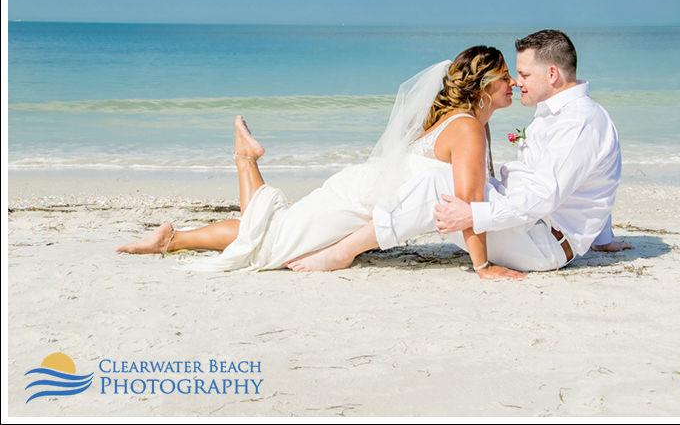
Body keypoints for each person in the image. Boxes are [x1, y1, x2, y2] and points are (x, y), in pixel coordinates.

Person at [116, 46, 526, 280]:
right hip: (358, 202)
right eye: (506, 77)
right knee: (268, 245)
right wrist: (483, 266)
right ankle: (244, 159)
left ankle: (172, 238)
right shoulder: (468, 127)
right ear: (484, 86)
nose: (514, 84)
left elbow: (467, 200)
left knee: (272, 231)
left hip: (362, 193)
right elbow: (468, 205)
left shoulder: (467, 125)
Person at [300, 29, 631, 273]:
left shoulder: (579, 122)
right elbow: (589, 182)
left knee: (438, 184)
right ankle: (338, 229)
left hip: (541, 245)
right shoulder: (561, 115)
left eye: (525, 74)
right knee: (444, 179)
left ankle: (342, 251)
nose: (517, 82)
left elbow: (543, 196)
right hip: (529, 228)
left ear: (553, 74)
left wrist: (473, 214)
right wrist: (602, 236)